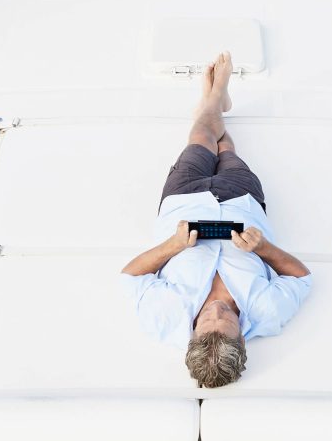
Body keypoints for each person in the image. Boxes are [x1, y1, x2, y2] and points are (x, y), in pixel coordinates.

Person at [120, 52, 312, 388]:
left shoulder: (164, 319)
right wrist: (264, 249)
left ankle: (214, 98)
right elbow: (300, 277)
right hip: (243, 203)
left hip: (183, 202)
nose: (220, 311)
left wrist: (173, 245)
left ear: (193, 334)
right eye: (227, 320)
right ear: (241, 339)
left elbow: (130, 276)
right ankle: (215, 103)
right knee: (227, 152)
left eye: (208, 318)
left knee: (201, 138)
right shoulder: (268, 314)